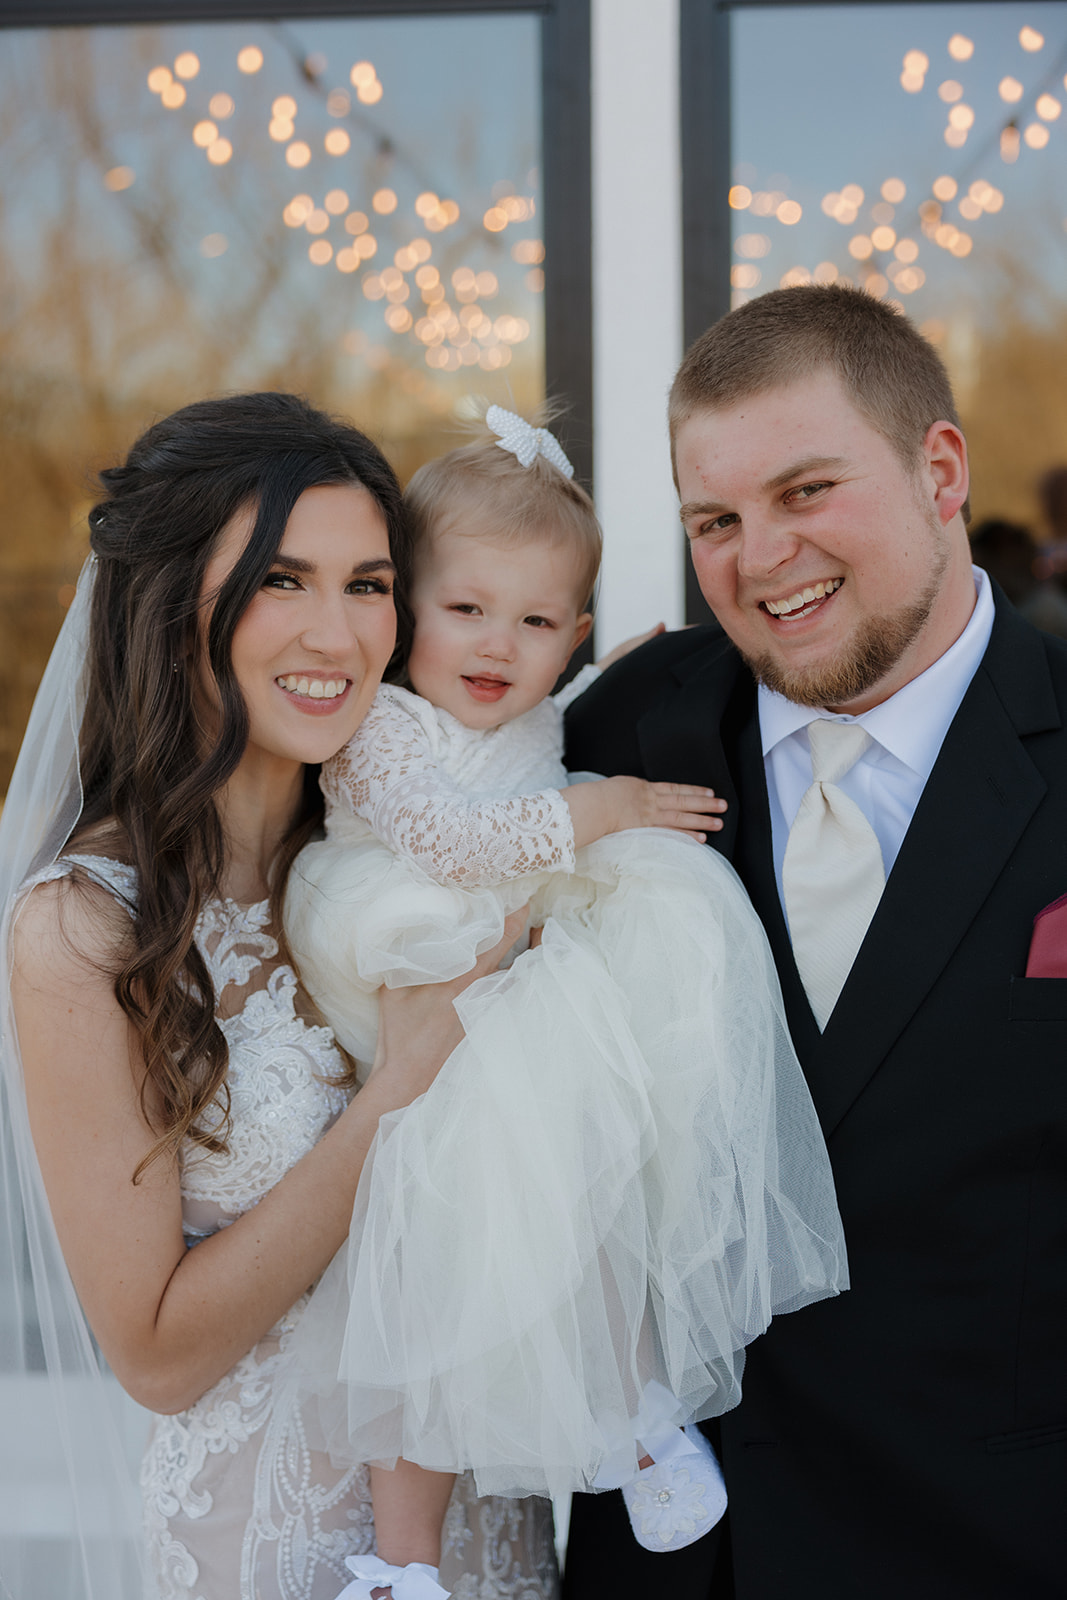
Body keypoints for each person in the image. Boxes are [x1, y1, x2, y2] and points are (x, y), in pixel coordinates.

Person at [281, 407, 848, 1600]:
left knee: (594, 1199)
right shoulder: (381, 727)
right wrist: (605, 808)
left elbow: (533, 731)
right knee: (423, 1288)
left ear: (572, 635)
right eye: (465, 609)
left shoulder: (536, 699)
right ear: (403, 613)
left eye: (537, 623)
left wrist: (603, 675)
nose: (499, 644)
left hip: (522, 991)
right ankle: (401, 1559)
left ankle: (635, 1415)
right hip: (422, 969)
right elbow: (454, 840)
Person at [0, 392, 559, 1600]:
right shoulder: (86, 929)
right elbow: (156, 1354)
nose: (338, 633)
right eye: (279, 581)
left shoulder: (407, 857)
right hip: (270, 1549)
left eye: (369, 585)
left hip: (491, 1531)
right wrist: (399, 1092)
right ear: (170, 608)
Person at [562, 284, 1067, 1599]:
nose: (759, 557)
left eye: (805, 491)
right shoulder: (616, 730)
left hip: (993, 1544)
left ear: (937, 470)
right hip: (676, 1560)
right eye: (714, 521)